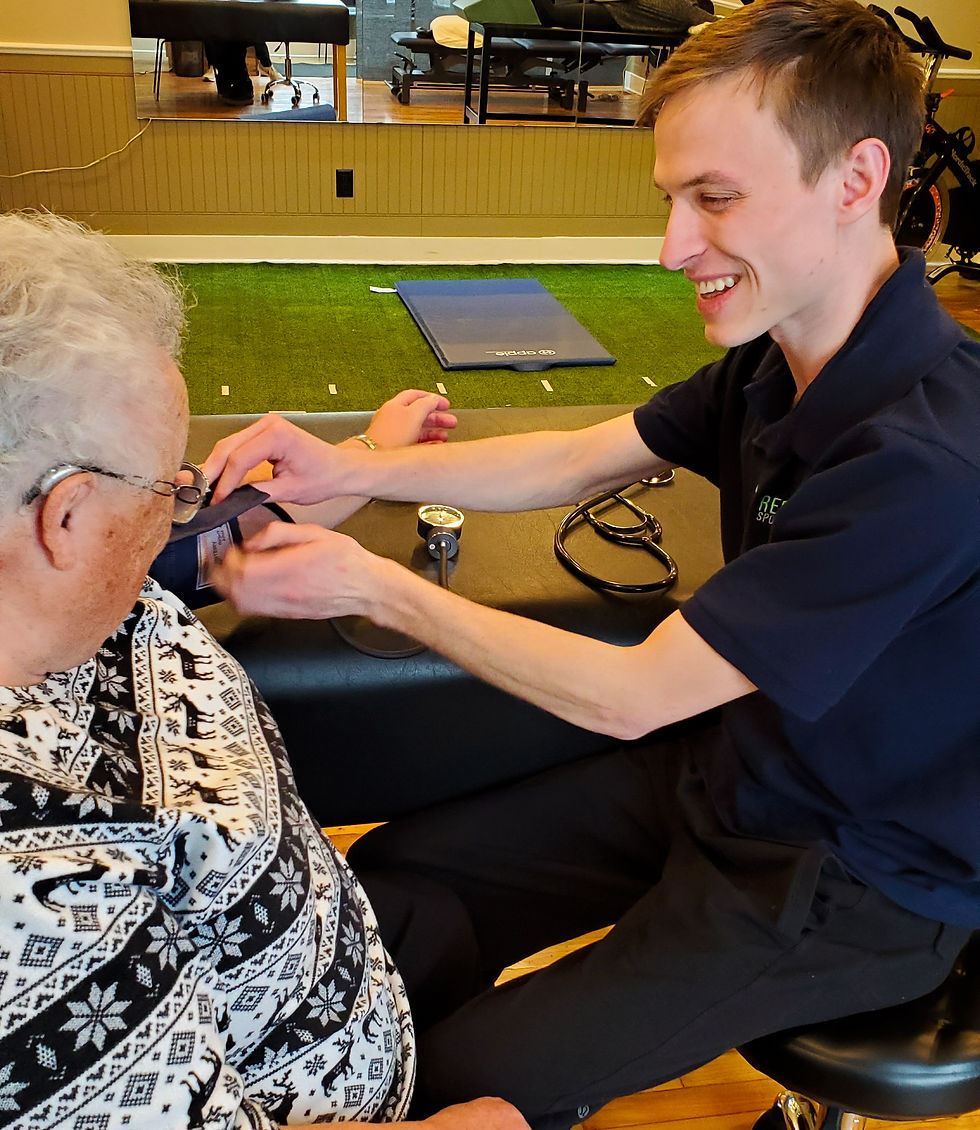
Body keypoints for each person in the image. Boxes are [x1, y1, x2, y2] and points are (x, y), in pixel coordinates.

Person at [202, 2, 980, 1128]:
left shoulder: (926, 454)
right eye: (671, 200)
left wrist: (372, 584)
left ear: (855, 176)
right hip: (732, 774)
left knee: (468, 1082)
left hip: (854, 877)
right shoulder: (779, 362)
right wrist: (353, 466)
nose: (670, 247)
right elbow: (577, 454)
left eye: (713, 199)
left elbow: (634, 694)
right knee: (392, 892)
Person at [0, 210, 529, 1130]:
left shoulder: (59, 582)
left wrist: (369, 453)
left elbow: (234, 534)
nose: (187, 504)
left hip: (332, 939)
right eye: (171, 483)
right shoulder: (27, 907)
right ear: (67, 515)